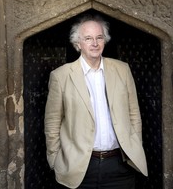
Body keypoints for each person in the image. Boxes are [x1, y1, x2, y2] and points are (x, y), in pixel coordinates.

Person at [44, 14, 148, 189]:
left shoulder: (122, 70)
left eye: (99, 37)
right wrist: (55, 160)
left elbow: (133, 113)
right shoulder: (60, 76)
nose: (95, 43)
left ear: (105, 41)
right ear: (78, 44)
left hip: (120, 165)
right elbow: (52, 122)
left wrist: (134, 145)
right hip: (79, 167)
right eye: (88, 38)